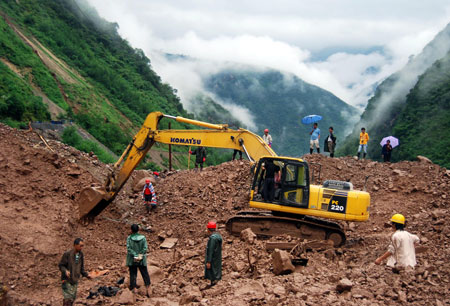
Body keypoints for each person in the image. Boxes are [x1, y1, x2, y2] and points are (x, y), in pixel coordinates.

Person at [58, 238, 91, 306]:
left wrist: (86, 275)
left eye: (83, 246)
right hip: (67, 279)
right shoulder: (67, 254)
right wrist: (65, 271)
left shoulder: (80, 255)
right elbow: (61, 265)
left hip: (75, 279)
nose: (82, 247)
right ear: (75, 245)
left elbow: (81, 268)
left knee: (72, 299)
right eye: (80, 245)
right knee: (68, 299)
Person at [126, 224, 151, 297]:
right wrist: (140, 255)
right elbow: (145, 248)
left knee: (133, 274)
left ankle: (134, 289)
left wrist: (135, 255)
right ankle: (148, 287)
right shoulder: (143, 238)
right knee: (144, 273)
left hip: (132, 259)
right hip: (141, 259)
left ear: (131, 230)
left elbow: (129, 248)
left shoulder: (129, 238)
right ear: (138, 230)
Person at [205, 221, 222, 287]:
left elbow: (210, 250)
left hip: (213, 257)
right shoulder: (218, 236)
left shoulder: (212, 239)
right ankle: (216, 279)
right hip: (217, 256)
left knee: (212, 269)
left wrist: (208, 261)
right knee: (216, 268)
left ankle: (213, 281)